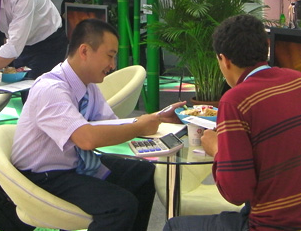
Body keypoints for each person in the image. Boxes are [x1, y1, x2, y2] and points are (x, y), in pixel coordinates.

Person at [164, 14, 301, 231]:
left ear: (224, 60)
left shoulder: (235, 101)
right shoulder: (299, 80)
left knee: (174, 226)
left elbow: (236, 193)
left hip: (277, 226)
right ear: (266, 47)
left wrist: (217, 148)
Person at [12, 18, 183, 231]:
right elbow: (87, 139)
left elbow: (110, 125)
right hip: (42, 176)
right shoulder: (51, 90)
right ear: (84, 51)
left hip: (71, 164)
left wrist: (156, 118)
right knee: (119, 206)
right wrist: (139, 127)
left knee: (143, 172)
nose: (113, 65)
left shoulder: (87, 85)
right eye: (110, 56)